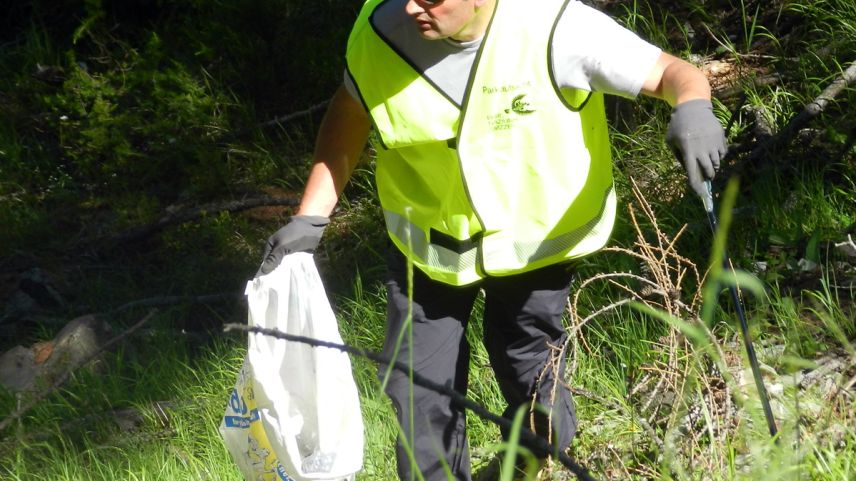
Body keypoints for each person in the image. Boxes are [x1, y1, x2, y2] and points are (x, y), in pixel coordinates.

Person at [257, 0, 726, 480]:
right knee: (416, 390)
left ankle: (528, 462)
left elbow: (672, 72)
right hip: (429, 248)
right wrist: (311, 216)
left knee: (530, 377)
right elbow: (354, 105)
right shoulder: (381, 28)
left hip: (534, 248)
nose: (413, 7)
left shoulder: (556, 26)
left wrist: (692, 108)